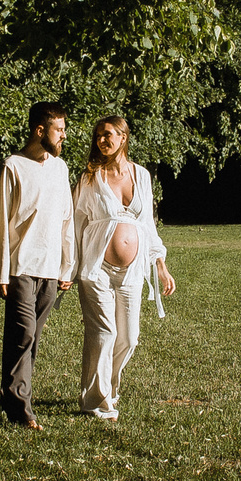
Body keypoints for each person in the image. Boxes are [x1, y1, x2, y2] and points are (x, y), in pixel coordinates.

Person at [72, 114, 175, 421]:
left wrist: (160, 264)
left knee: (128, 337)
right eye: (98, 136)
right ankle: (96, 401)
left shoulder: (141, 175)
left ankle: (108, 388)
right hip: (96, 266)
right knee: (103, 333)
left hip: (132, 270)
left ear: (123, 137)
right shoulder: (90, 177)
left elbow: (147, 225)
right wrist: (71, 266)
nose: (102, 140)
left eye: (108, 134)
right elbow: (76, 224)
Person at [0, 101, 75, 428]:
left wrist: (66, 267)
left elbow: (66, 221)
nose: (64, 135)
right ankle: (19, 408)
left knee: (32, 338)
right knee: (22, 334)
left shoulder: (61, 168)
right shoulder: (13, 166)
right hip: (22, 266)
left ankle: (15, 393)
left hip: (51, 270)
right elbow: (1, 223)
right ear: (40, 130)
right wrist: (0, 272)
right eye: (59, 129)